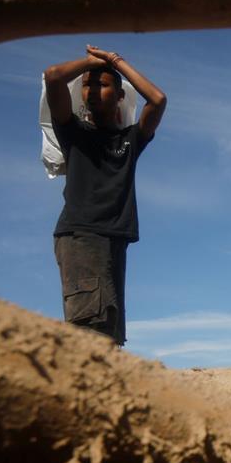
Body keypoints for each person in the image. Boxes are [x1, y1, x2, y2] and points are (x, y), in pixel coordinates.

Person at [44, 45, 167, 346]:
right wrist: (91, 62)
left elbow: (158, 99)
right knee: (90, 329)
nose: (93, 90)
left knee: (109, 331)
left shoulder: (129, 140)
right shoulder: (73, 132)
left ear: (121, 95)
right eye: (87, 85)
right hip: (82, 235)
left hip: (113, 239)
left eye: (102, 83)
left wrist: (116, 62)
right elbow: (53, 77)